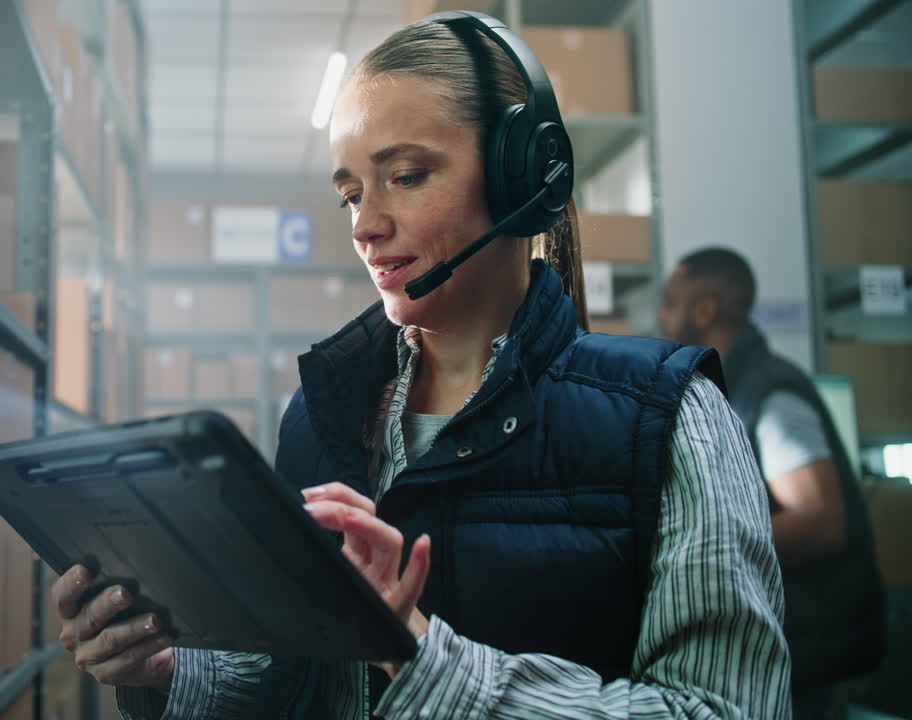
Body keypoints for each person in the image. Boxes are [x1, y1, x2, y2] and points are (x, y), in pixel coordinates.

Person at [53, 13, 792, 718]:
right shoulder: (320, 417)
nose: (366, 226)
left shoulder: (670, 417)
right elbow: (290, 676)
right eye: (350, 193)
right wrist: (171, 671)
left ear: (522, 176)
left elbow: (727, 708)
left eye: (404, 175)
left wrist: (425, 665)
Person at [658, 247, 886, 718]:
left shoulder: (769, 391)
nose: (662, 317)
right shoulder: (730, 386)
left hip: (811, 657)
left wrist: (699, 546)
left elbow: (821, 522)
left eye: (671, 302)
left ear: (705, 309)